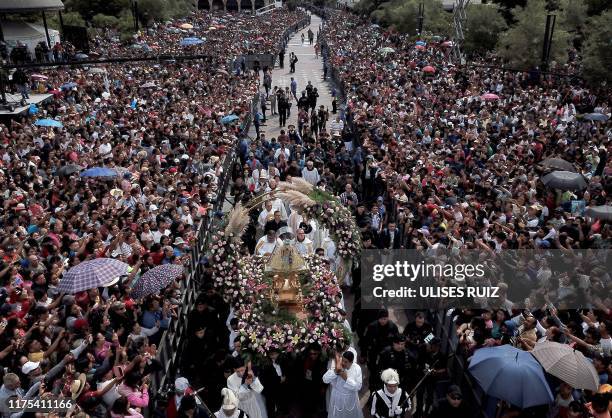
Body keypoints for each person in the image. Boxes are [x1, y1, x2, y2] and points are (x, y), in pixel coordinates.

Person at [322, 351, 363, 418]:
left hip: (350, 399)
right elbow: (325, 379)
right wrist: (335, 372)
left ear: (351, 362)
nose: (343, 363)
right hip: (337, 397)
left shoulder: (357, 368)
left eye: (346, 362)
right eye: (342, 360)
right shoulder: (337, 365)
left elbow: (358, 387)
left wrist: (346, 379)